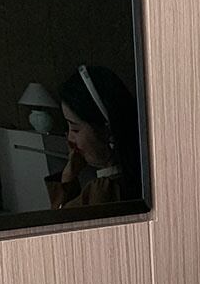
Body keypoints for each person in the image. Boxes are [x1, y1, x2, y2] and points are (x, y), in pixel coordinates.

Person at [44, 64, 142, 209]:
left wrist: (67, 179)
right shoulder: (138, 175)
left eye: (75, 129)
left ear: (107, 130)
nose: (70, 138)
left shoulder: (103, 192)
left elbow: (60, 220)